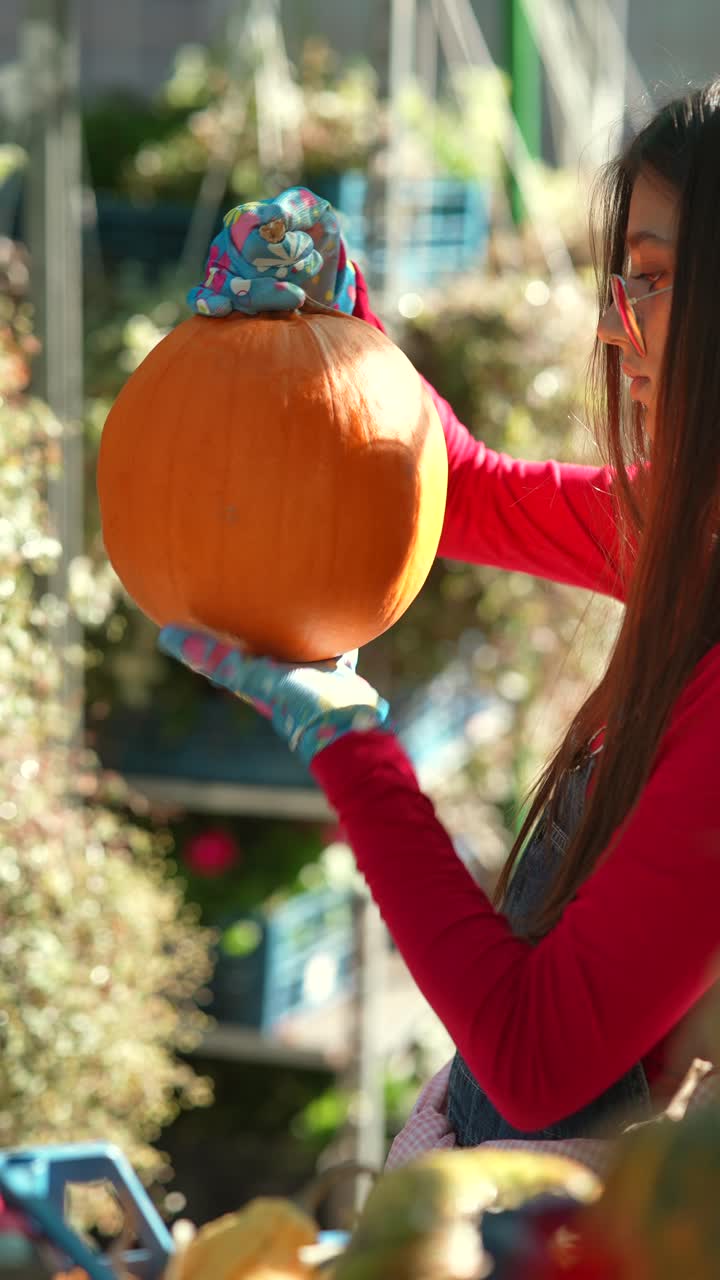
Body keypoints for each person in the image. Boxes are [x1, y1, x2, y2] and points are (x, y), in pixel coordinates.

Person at [158, 81, 720, 1158]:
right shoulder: (686, 529)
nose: (621, 327)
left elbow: (537, 1053)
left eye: (650, 279)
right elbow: (456, 487)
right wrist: (339, 323)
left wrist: (352, 747)